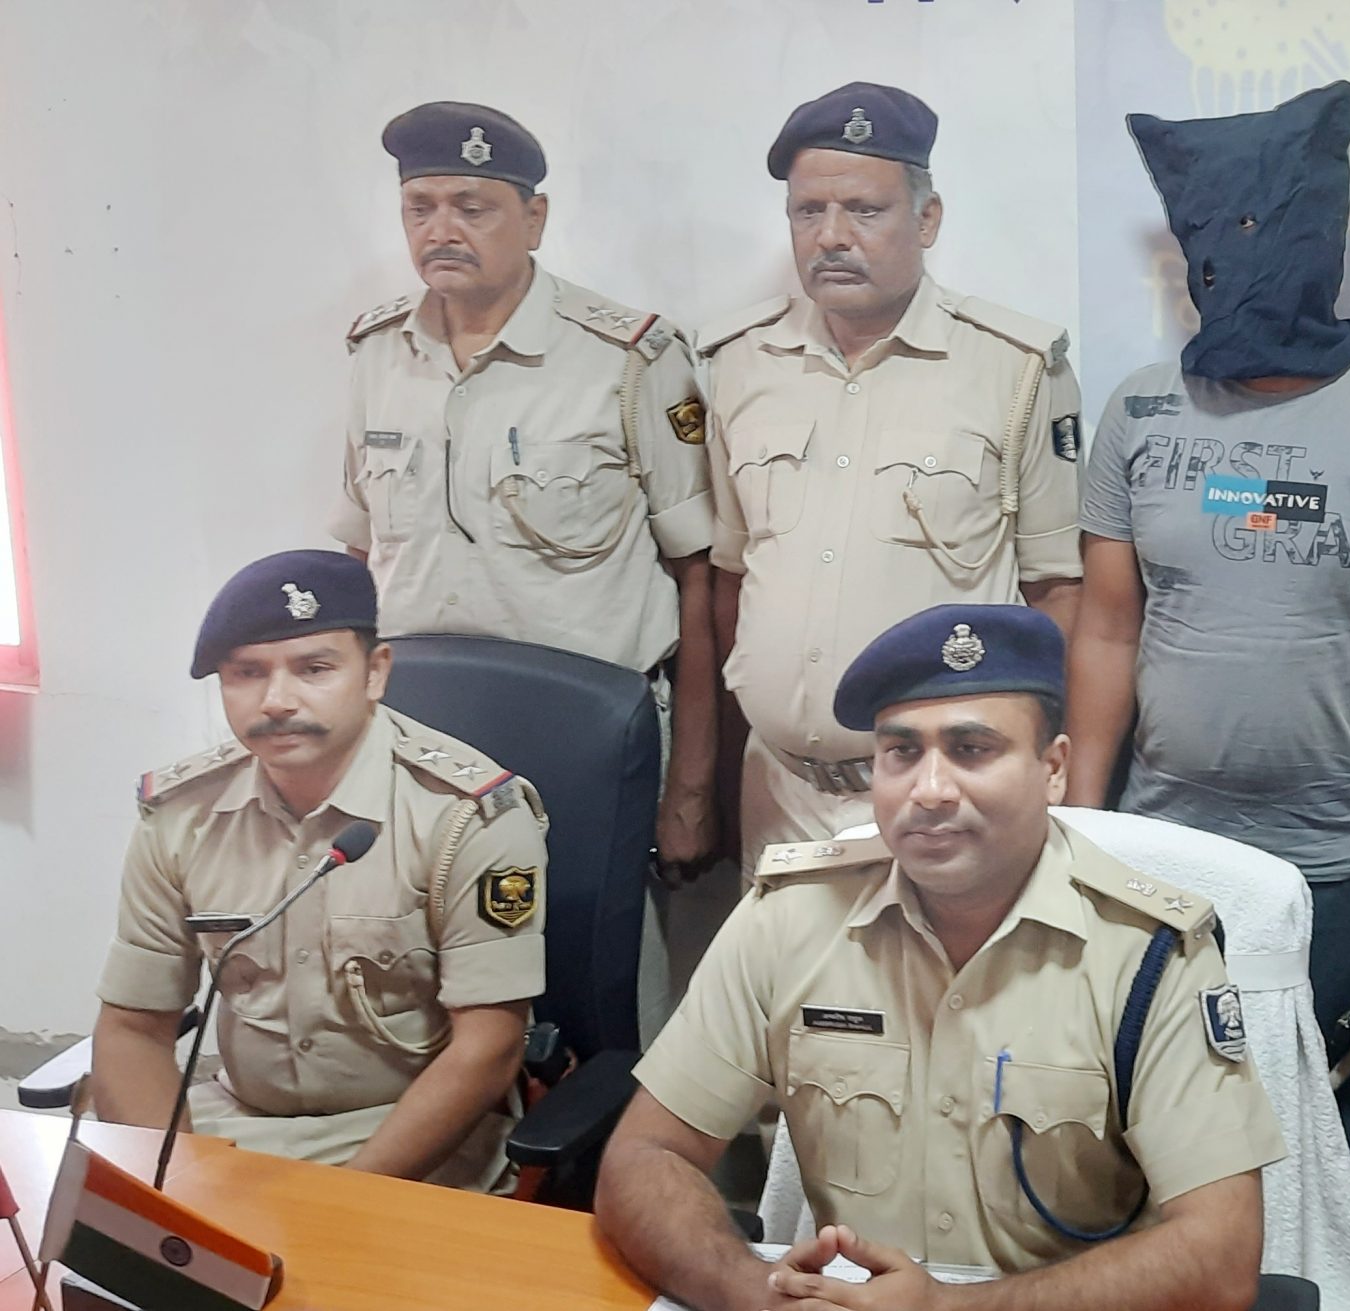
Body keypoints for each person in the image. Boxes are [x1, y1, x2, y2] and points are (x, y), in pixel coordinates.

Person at [1067, 80, 1350, 1220]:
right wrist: (1075, 827)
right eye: (1220, 233)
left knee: (1323, 1162)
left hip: (1342, 869)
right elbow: (1106, 628)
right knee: (1151, 1145)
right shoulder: (1139, 413)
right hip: (1160, 856)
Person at [596, 604, 1281, 1311]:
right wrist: (758, 1295)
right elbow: (644, 1156)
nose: (929, 790)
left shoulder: (1149, 954)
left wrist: (944, 1309)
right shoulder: (791, 918)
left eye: (972, 749)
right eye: (901, 752)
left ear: (1052, 769)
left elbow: (1220, 1254)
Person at [331, 101, 719, 874]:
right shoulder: (379, 353)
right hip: (418, 736)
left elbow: (699, 579)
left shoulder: (628, 358)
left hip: (586, 739)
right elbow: (359, 559)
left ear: (533, 219)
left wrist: (691, 791)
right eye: (419, 208)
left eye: (471, 207)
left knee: (597, 944)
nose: (442, 230)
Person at [702, 81, 1084, 865]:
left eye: (864, 211)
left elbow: (1056, 595)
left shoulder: (1013, 369)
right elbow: (734, 578)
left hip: (944, 798)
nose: (831, 236)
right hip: (778, 792)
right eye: (808, 212)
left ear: (927, 218)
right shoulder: (738, 362)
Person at [90, 550, 548, 1191]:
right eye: (247, 673)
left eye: (314, 669)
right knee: (84, 1237)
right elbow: (133, 1028)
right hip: (236, 1127)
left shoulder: (466, 816)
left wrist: (340, 1203)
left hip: (411, 1141)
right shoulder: (180, 815)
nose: (277, 700)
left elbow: (489, 1048)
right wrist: (172, 1187)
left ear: (375, 672)